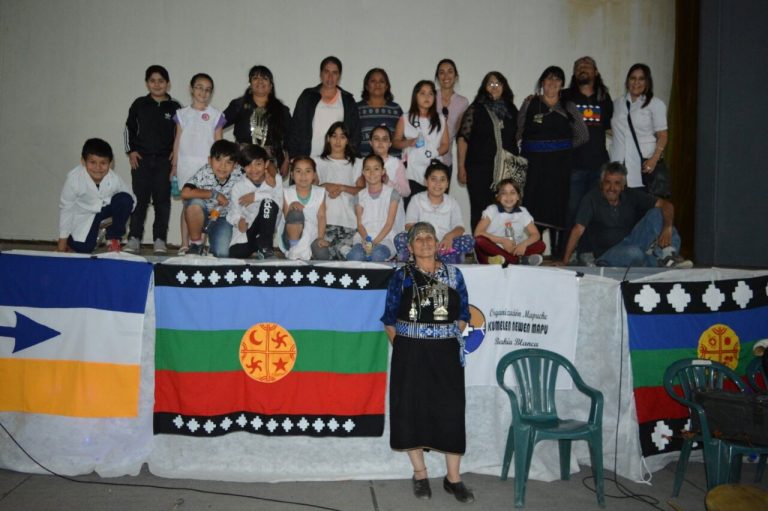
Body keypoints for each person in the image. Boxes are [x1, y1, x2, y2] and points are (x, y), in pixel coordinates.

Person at [381, 221, 474, 504]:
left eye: (429, 237)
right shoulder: (401, 277)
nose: (424, 242)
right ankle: (420, 474)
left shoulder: (454, 274)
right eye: (418, 238)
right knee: (411, 409)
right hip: (410, 354)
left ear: (437, 243)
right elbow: (389, 319)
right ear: (409, 247)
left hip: (445, 354)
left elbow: (463, 314)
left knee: (450, 410)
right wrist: (408, 346)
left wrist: (444, 338)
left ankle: (453, 478)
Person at [557, 162, 691, 268]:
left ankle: (668, 256)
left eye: (617, 183)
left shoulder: (631, 195)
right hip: (607, 253)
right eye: (608, 182)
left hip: (632, 242)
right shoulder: (591, 198)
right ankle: (657, 260)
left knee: (657, 213)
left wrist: (666, 228)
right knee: (635, 254)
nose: (611, 188)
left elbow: (667, 205)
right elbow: (578, 229)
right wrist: (565, 261)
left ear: (623, 186)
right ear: (601, 183)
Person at [517, 65, 588, 258]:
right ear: (542, 82)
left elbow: (583, 135)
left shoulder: (568, 106)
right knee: (533, 209)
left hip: (559, 168)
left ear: (562, 84)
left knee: (558, 210)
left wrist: (559, 148)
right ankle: (534, 253)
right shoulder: (530, 104)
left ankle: (558, 254)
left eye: (557, 79)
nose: (552, 83)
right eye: (549, 78)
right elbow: (518, 131)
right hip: (534, 168)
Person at [124, 64, 181, 254]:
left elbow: (182, 133)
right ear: (147, 83)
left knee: (162, 201)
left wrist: (176, 152)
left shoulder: (175, 107)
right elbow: (128, 129)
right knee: (139, 200)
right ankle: (134, 238)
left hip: (164, 161)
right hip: (141, 160)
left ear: (168, 84)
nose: (157, 85)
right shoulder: (139, 104)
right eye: (153, 81)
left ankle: (159, 240)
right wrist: (131, 151)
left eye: (161, 81)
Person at [561, 57, 613, 250]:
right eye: (578, 67)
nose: (582, 69)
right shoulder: (565, 97)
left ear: (596, 72)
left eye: (587, 66)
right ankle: (568, 253)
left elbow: (609, 128)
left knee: (594, 211)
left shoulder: (604, 99)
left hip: (598, 165)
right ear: (574, 74)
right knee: (572, 211)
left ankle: (588, 252)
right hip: (574, 165)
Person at [457, 71, 519, 230]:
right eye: (490, 83)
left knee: (505, 211)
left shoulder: (512, 110)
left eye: (498, 83)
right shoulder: (475, 108)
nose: (494, 87)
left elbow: (520, 134)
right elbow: (463, 138)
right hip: (479, 169)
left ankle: (503, 250)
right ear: (484, 87)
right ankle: (480, 250)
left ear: (504, 87)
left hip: (506, 171)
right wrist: (461, 166)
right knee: (480, 210)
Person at [172, 73, 225, 255]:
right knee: (188, 205)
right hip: (185, 165)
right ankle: (185, 244)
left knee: (205, 205)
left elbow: (219, 145)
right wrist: (174, 165)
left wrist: (218, 168)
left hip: (207, 168)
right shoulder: (182, 114)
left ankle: (201, 243)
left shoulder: (216, 115)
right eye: (199, 87)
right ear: (191, 88)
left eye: (208, 89)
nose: (203, 92)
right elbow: (177, 140)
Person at [58, 139, 135, 253]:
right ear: (83, 161)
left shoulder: (114, 179)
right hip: (84, 216)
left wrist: (119, 218)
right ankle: (75, 239)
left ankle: (113, 238)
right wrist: (62, 243)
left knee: (125, 199)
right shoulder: (74, 179)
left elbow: (131, 199)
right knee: (84, 249)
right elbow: (66, 209)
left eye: (103, 163)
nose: (98, 168)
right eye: (92, 162)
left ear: (110, 163)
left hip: (104, 212)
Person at [394, 161, 474, 264]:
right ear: (426, 182)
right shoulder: (416, 199)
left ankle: (443, 256)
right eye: (433, 179)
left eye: (442, 180)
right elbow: (409, 226)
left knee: (469, 240)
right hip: (422, 244)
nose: (438, 184)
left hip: (443, 245)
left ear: (447, 184)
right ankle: (447, 258)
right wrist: (427, 238)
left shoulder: (452, 202)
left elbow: (460, 227)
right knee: (400, 238)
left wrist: (448, 237)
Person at [222, 65, 292, 177]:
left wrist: (287, 161)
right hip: (242, 159)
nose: (260, 81)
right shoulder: (238, 105)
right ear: (250, 84)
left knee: (268, 192)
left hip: (270, 162)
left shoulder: (282, 110)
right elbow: (218, 125)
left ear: (271, 86)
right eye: (255, 78)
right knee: (242, 192)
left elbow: (290, 137)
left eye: (264, 78)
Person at [610, 63, 669, 193]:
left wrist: (654, 160)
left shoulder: (655, 104)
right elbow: (613, 129)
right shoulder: (617, 103)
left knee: (646, 207)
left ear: (647, 82)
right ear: (627, 81)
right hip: (620, 167)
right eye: (633, 78)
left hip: (644, 166)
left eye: (641, 79)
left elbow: (663, 136)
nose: (636, 82)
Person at [180, 140, 243, 257]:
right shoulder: (204, 173)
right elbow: (185, 193)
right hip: (202, 215)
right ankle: (196, 244)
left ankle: (211, 249)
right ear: (210, 160)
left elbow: (259, 170)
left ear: (235, 165)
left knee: (222, 253)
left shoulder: (240, 173)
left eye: (228, 162)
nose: (223, 166)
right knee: (194, 203)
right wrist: (214, 194)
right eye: (218, 160)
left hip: (223, 218)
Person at [289, 56, 360, 158]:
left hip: (337, 160)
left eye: (334, 73)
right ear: (321, 74)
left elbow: (354, 133)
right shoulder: (308, 96)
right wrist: (293, 156)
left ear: (339, 76)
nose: (330, 77)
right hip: (309, 159)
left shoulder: (347, 100)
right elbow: (296, 128)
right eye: (326, 72)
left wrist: (349, 158)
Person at [393, 80, 450, 206]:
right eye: (422, 93)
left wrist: (433, 153)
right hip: (412, 172)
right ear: (415, 96)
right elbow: (395, 142)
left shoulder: (441, 119)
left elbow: (445, 145)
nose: (427, 97)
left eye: (430, 94)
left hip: (434, 170)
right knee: (412, 207)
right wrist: (409, 142)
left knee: (433, 207)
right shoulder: (405, 118)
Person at [315, 122, 363, 260]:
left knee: (346, 259)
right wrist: (325, 185)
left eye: (342, 137)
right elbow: (309, 190)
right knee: (325, 260)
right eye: (334, 136)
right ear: (328, 138)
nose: (337, 141)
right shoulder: (317, 162)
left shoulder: (357, 163)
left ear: (347, 140)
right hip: (325, 220)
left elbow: (363, 191)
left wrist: (342, 188)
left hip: (349, 221)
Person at [227, 144, 282, 259]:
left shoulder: (276, 180)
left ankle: (265, 247)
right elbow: (233, 211)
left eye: (258, 164)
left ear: (266, 164)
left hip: (267, 229)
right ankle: (258, 245)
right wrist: (239, 221)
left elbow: (279, 201)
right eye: (248, 165)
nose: (253, 170)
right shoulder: (239, 186)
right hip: (250, 229)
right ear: (243, 167)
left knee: (269, 203)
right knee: (236, 253)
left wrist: (255, 196)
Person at [474, 179, 544, 266]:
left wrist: (523, 245)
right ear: (498, 197)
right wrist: (502, 241)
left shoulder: (523, 212)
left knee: (541, 245)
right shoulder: (492, 210)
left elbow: (536, 234)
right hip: (494, 249)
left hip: (515, 250)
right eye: (504, 193)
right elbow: (478, 233)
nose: (508, 196)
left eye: (512, 192)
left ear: (518, 196)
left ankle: (507, 260)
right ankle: (518, 261)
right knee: (479, 241)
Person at [347, 154, 404, 262]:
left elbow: (389, 224)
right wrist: (367, 241)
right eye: (367, 169)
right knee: (355, 256)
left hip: (385, 239)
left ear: (383, 171)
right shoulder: (359, 196)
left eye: (376, 169)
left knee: (377, 255)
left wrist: (374, 243)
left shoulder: (392, 194)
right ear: (363, 172)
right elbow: (360, 225)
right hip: (363, 239)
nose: (372, 173)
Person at [280, 156, 329, 260]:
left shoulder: (320, 192)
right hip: (291, 237)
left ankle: (306, 254)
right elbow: (286, 218)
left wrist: (320, 238)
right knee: (295, 212)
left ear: (314, 175)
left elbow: (321, 217)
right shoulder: (286, 192)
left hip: (312, 234)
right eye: (298, 171)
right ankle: (295, 250)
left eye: (308, 171)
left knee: (323, 253)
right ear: (292, 175)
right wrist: (292, 205)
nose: (303, 175)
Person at [434, 59, 469, 177]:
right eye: (442, 72)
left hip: (445, 160)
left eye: (450, 71)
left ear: (456, 76)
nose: (446, 76)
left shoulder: (463, 102)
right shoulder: (430, 96)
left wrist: (461, 166)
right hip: (423, 159)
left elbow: (461, 137)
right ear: (437, 76)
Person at [356, 68, 403, 157]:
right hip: (364, 164)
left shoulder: (396, 109)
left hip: (392, 164)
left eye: (381, 81)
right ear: (366, 86)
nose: (377, 84)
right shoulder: (356, 108)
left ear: (386, 86)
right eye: (373, 81)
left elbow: (401, 138)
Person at [368, 125, 410, 198]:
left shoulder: (397, 164)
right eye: (376, 139)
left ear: (390, 144)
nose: (380, 142)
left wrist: (388, 182)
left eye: (384, 139)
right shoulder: (363, 163)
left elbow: (406, 192)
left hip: (392, 206)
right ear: (370, 142)